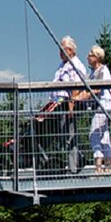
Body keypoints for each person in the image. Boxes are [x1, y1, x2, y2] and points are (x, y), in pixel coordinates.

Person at [37, 36, 87, 173]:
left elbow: (75, 86)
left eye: (62, 49)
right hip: (57, 105)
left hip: (67, 104)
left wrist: (71, 107)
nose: (59, 52)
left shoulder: (75, 65)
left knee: (70, 135)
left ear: (70, 50)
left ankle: (74, 167)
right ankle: (73, 162)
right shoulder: (63, 65)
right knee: (60, 135)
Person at [79, 45, 111, 174]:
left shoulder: (102, 71)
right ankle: (108, 167)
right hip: (103, 106)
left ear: (97, 57)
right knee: (104, 136)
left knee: (94, 135)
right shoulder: (95, 72)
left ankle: (98, 168)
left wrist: (83, 96)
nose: (88, 57)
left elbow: (98, 88)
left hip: (103, 106)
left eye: (90, 55)